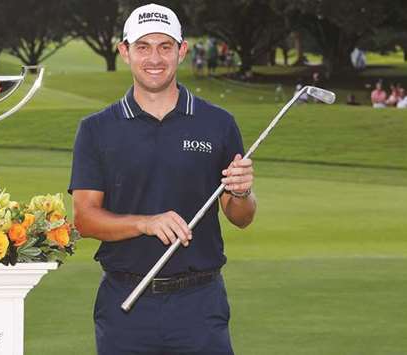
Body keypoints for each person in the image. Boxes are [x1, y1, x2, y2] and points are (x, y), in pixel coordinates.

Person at [69, 4, 256, 354]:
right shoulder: (96, 130)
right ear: (125, 52)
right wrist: (145, 223)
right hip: (125, 303)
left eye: (165, 46)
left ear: (182, 51)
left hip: (199, 304)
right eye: (143, 47)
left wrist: (243, 192)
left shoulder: (218, 124)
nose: (154, 58)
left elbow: (241, 217)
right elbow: (84, 218)